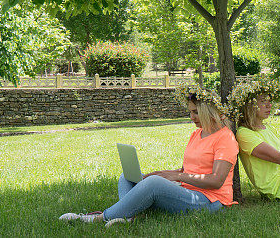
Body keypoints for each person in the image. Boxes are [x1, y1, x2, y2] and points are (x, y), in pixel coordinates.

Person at [59, 85, 238, 227]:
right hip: (187, 189)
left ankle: (100, 217)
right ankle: (128, 216)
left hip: (209, 201)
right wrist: (163, 173)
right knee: (128, 177)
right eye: (190, 111)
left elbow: (216, 181)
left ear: (209, 111)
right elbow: (188, 170)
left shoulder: (225, 138)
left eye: (195, 112)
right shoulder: (197, 134)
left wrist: (175, 176)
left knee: (153, 184)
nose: (191, 117)